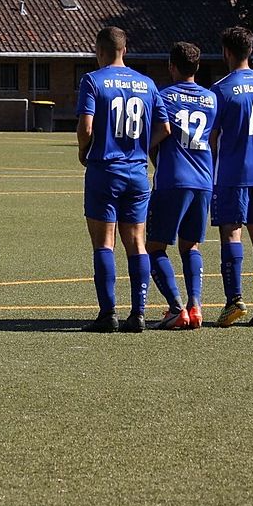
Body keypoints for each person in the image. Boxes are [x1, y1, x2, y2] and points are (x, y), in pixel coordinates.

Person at [76, 26, 170, 333]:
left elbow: (86, 128)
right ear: (124, 50)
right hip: (137, 174)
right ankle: (139, 313)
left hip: (105, 171)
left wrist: (83, 151)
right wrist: (142, 148)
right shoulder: (147, 84)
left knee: (104, 243)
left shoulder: (93, 81)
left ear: (100, 51)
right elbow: (165, 128)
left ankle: (108, 314)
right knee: (137, 243)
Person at [146, 42, 217, 330]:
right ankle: (196, 306)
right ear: (197, 67)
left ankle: (176, 307)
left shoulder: (163, 97)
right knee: (191, 246)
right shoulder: (212, 99)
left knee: (153, 247)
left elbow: (158, 133)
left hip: (173, 180)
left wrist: (147, 154)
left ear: (172, 66)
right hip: (203, 181)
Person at [210, 26, 253, 327]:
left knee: (231, 233)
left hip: (232, 172)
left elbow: (211, 137)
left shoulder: (221, 89)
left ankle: (235, 300)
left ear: (227, 52)